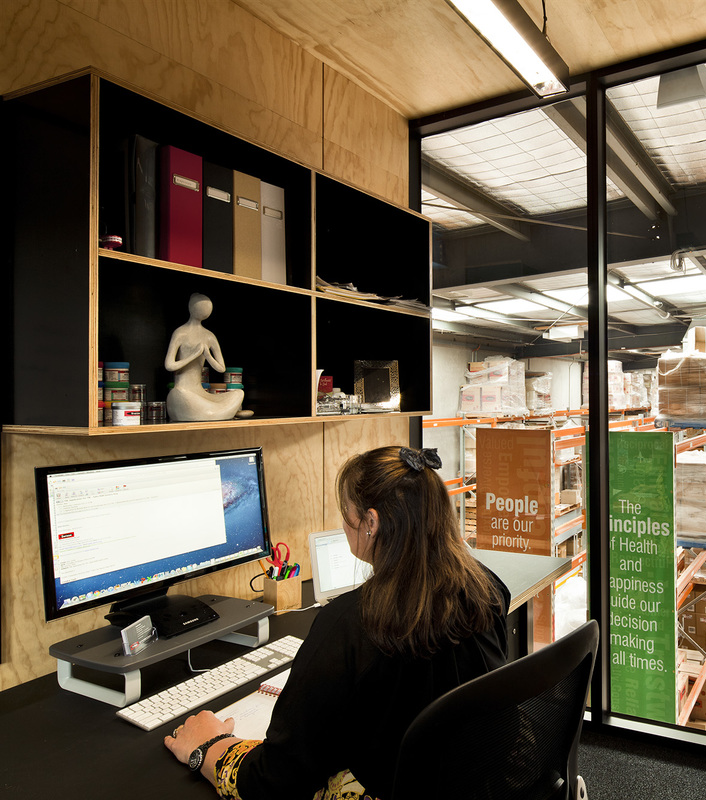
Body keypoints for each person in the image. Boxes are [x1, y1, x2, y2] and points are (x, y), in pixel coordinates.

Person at [164, 446, 510, 799]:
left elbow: (272, 782)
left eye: (346, 514)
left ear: (371, 523)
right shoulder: (488, 590)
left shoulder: (350, 624)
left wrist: (209, 746)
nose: (343, 524)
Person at [164, 292, 245, 421]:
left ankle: (217, 411)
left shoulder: (209, 335)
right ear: (191, 307)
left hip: (201, 393)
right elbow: (169, 365)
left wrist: (207, 355)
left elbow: (221, 368)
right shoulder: (180, 333)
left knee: (238, 393)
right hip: (183, 390)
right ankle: (221, 412)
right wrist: (193, 355)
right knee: (182, 395)